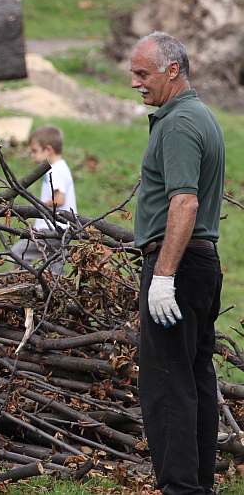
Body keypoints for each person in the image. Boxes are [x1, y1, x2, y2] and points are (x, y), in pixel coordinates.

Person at [130, 32, 224, 495]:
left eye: (142, 73)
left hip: (179, 267)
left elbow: (183, 203)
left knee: (167, 385)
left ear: (172, 70)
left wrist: (163, 276)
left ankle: (181, 489)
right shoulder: (198, 115)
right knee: (194, 377)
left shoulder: (180, 123)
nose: (135, 83)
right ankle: (198, 487)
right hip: (200, 265)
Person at [10, 125, 77, 275]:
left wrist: (38, 206)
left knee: (19, 253)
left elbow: (59, 199)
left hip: (52, 228)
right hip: (63, 229)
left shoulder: (55, 169)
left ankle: (18, 285)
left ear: (48, 150)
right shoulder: (61, 167)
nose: (32, 155)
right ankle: (56, 292)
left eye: (34, 151)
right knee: (55, 266)